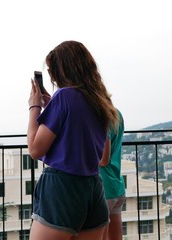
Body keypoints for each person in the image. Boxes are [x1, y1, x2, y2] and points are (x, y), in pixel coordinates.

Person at [27, 40, 119, 240]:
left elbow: (35, 149)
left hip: (62, 190)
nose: (51, 75)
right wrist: (53, 107)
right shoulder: (101, 100)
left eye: (52, 69)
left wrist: (34, 107)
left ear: (64, 68)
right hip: (94, 190)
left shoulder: (64, 97)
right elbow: (103, 159)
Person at [99, 109, 125, 240]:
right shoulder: (116, 113)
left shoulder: (101, 116)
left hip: (104, 188)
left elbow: (103, 160)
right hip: (117, 185)